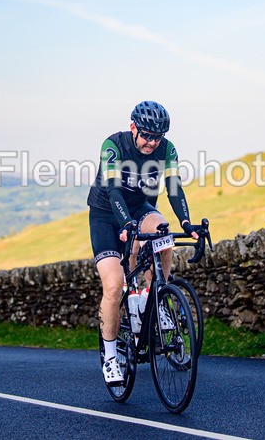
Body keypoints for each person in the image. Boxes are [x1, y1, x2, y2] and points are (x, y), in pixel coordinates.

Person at [87, 101, 199, 385]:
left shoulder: (167, 149)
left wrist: (187, 223)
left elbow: (174, 187)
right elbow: (113, 190)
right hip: (106, 214)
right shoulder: (113, 145)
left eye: (157, 137)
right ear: (133, 127)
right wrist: (125, 224)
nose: (151, 142)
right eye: (147, 135)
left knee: (163, 232)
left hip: (140, 208)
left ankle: (157, 297)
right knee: (113, 286)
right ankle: (111, 357)